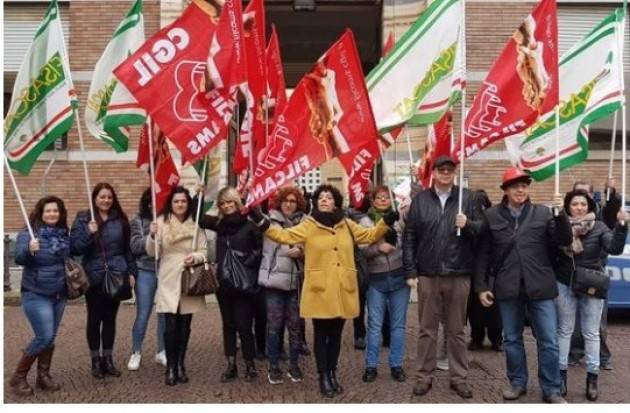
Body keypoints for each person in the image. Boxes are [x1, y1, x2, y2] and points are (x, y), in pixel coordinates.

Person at [251, 184, 399, 398]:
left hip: (342, 289)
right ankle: (323, 376)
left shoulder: (347, 224)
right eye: (320, 197)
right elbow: (283, 236)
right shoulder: (309, 224)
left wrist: (386, 221)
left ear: (335, 202)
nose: (324, 200)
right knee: (321, 335)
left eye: (329, 197)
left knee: (336, 335)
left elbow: (368, 235)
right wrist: (262, 221)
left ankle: (332, 372)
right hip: (320, 290)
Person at [474, 167, 571, 403]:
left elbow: (564, 240)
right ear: (505, 190)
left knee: (548, 339)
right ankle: (517, 383)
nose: (520, 189)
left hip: (540, 286)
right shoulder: (492, 215)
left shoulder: (544, 212)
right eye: (515, 186)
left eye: (524, 185)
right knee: (512, 339)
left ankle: (551, 388)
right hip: (508, 287)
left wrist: (561, 216)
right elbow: (483, 254)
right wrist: (481, 287)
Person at [403, 155, 485, 399]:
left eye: (450, 170)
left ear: (454, 173)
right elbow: (410, 237)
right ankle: (423, 376)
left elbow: (482, 230)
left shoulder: (467, 198)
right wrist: (410, 271)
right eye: (441, 169)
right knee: (427, 330)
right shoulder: (420, 200)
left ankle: (459, 378)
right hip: (428, 274)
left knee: (457, 331)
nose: (446, 173)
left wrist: (468, 223)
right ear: (434, 173)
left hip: (458, 273)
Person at [554, 189, 627, 401]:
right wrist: (559, 216)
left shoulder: (600, 227)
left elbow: (613, 248)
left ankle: (592, 378)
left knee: (591, 333)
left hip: (591, 283)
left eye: (583, 204)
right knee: (565, 331)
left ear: (589, 207)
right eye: (575, 204)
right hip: (565, 282)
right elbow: (560, 238)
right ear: (568, 206)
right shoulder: (560, 222)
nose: (579, 207)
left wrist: (622, 226)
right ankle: (561, 377)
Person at [197, 186, 263, 383]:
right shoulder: (219, 224)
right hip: (223, 284)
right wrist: (197, 193)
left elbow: (258, 250)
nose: (226, 206)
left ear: (237, 203)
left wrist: (245, 265)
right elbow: (198, 217)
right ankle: (231, 364)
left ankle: (250, 365)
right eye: (223, 203)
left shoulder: (249, 225)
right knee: (228, 325)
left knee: (244, 325)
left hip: (243, 283)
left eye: (230, 202)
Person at [71, 183, 136, 379]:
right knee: (94, 318)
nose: (106, 200)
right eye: (102, 197)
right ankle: (95, 360)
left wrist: (132, 272)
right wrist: (89, 233)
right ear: (95, 198)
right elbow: (75, 248)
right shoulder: (84, 218)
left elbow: (127, 249)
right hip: (94, 276)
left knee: (110, 318)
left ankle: (108, 359)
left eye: (109, 197)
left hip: (116, 274)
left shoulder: (121, 220)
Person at [10, 196, 71, 396]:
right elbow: (18, 257)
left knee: (50, 337)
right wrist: (29, 249)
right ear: (41, 213)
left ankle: (43, 376)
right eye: (48, 211)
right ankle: (18, 377)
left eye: (55, 210)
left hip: (59, 293)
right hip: (36, 293)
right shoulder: (29, 232)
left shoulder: (63, 233)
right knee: (43, 336)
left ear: (60, 214)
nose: (52, 214)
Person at [147, 186, 208, 385]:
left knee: (185, 326)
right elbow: (151, 252)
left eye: (183, 201)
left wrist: (196, 256)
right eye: (176, 201)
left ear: (187, 203)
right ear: (170, 204)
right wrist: (152, 235)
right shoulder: (161, 223)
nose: (180, 204)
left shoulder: (196, 224)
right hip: (169, 278)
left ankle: (181, 364)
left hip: (190, 279)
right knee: (170, 325)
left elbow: (204, 251)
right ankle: (170, 367)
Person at [569, 180, 622, 370]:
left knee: (598, 322)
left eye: (586, 194)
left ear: (593, 196)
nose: (581, 201)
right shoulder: (568, 218)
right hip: (573, 274)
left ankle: (603, 357)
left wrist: (612, 192)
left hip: (594, 273)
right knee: (573, 321)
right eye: (577, 194)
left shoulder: (600, 215)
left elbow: (613, 212)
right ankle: (574, 354)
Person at [359, 186, 410, 383]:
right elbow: (362, 248)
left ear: (391, 200)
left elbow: (408, 241)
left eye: (385, 197)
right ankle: (371, 366)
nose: (382, 200)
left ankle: (396, 365)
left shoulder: (399, 218)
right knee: (374, 325)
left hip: (399, 278)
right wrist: (379, 248)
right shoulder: (365, 221)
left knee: (398, 325)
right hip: (376, 279)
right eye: (378, 197)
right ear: (372, 201)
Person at [258, 187, 307, 384]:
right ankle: (274, 366)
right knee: (274, 326)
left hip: (295, 282)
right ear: (279, 202)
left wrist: (302, 250)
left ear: (298, 204)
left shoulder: (305, 223)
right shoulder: (269, 221)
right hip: (274, 283)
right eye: (285, 200)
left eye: (293, 201)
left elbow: (313, 247)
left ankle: (294, 366)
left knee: (295, 327)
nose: (289, 204)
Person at [127, 188, 166, 371]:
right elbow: (134, 246)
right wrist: (149, 236)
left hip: (166, 271)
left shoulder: (169, 219)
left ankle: (162, 351)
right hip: (145, 271)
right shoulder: (137, 220)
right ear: (147, 203)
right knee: (143, 313)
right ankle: (136, 351)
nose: (155, 204)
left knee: (164, 312)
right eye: (152, 201)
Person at [467, 190, 503, 351]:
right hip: (475, 266)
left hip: (492, 266)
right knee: (476, 308)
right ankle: (478, 337)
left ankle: (495, 338)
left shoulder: (492, 217)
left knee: (494, 307)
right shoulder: (468, 217)